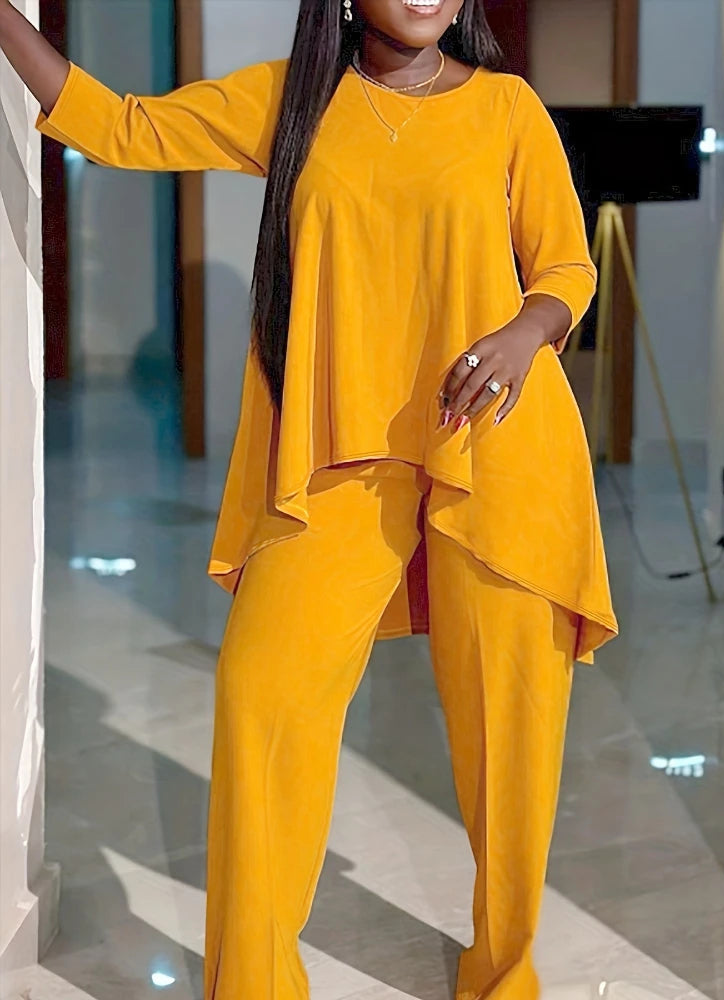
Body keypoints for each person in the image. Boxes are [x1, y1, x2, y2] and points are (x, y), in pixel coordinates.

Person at [1, 0, 618, 997]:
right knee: (261, 700)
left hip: (500, 450)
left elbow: (566, 264)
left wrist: (524, 331)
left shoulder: (507, 108)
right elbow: (122, 126)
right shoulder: (293, 104)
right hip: (335, 462)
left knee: (513, 735)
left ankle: (504, 976)